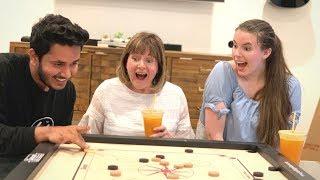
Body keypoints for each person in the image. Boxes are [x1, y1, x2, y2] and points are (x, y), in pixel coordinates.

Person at [195, 19, 301, 147]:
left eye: (246, 48)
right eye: (234, 45)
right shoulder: (223, 73)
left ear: (266, 52)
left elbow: (283, 143)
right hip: (220, 159)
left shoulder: (290, 86)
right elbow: (214, 136)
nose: (236, 54)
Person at [0, 14, 90, 155]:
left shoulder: (67, 90)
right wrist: (46, 132)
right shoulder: (4, 71)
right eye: (58, 64)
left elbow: (56, 142)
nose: (66, 74)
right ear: (34, 57)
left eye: (74, 63)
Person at [79, 32, 195, 139]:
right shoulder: (107, 90)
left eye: (149, 60)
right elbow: (87, 136)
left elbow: (187, 144)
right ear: (125, 62)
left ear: (158, 67)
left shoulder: (175, 94)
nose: (141, 65)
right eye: (135, 58)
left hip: (159, 159)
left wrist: (170, 142)